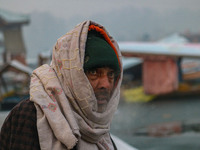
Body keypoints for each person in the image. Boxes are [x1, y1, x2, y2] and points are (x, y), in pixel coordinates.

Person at [0, 20, 123, 150]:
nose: (106, 84)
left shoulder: (99, 132)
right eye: (94, 72)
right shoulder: (29, 117)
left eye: (111, 74)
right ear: (71, 74)